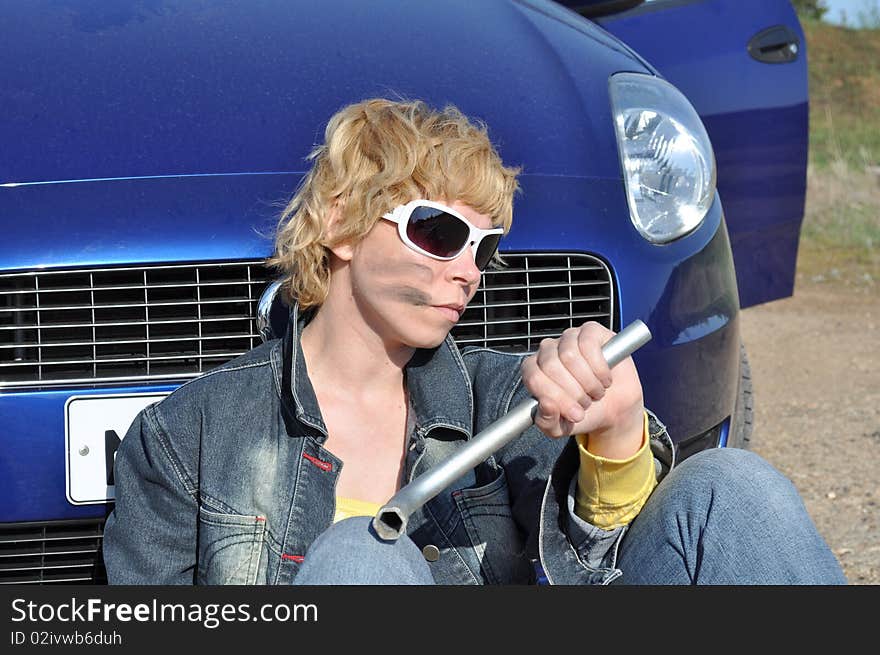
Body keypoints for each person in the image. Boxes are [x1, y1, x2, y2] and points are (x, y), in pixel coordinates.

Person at [102, 98, 846, 585]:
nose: (467, 271)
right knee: (365, 556)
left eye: (484, 248)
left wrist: (615, 431)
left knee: (733, 489)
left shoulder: (512, 401)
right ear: (338, 224)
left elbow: (606, 572)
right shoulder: (185, 434)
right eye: (439, 231)